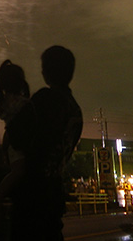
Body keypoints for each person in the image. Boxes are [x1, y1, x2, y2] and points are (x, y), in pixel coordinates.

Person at [26, 45, 83, 241]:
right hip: (54, 192)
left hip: (34, 192)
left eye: (44, 66)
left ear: (49, 70)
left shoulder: (46, 99)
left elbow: (24, 137)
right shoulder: (76, 110)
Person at [0, 59, 35, 240]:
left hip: (12, 148)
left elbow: (9, 128)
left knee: (16, 173)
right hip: (18, 149)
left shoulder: (6, 101)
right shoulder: (22, 104)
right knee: (19, 172)